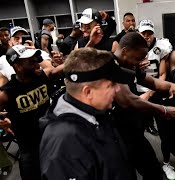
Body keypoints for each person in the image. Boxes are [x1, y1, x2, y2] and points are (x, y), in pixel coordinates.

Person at [39, 48, 135, 180]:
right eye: (111, 85)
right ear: (88, 92)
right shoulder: (65, 145)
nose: (117, 89)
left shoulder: (96, 113)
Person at [112, 32, 175, 180]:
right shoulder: (110, 66)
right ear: (125, 51)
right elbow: (128, 99)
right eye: (137, 58)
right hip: (115, 135)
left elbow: (151, 81)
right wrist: (162, 110)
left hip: (132, 130)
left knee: (153, 171)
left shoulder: (129, 64)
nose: (139, 62)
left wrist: (171, 84)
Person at [0, 45, 63, 180]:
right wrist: (2, 122)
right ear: (18, 66)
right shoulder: (8, 92)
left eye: (37, 60)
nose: (37, 64)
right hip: (30, 150)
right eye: (32, 62)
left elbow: (62, 68)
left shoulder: (42, 77)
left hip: (52, 142)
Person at [137, 19, 175, 179]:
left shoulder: (161, 47)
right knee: (136, 133)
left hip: (155, 92)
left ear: (153, 33)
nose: (146, 36)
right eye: (143, 33)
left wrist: (150, 93)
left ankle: (167, 163)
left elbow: (162, 75)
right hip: (137, 93)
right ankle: (145, 165)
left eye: (149, 33)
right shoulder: (133, 46)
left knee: (165, 131)